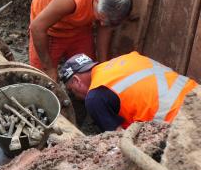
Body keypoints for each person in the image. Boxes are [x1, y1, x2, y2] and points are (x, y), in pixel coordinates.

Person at [29, 0, 132, 81]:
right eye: (101, 19)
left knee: (89, 76)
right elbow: (37, 27)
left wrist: (104, 68)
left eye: (107, 22)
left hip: (80, 27)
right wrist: (48, 68)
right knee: (41, 80)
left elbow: (105, 28)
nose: (102, 24)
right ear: (97, 0)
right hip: (51, 29)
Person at [60, 51, 198, 132]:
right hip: (195, 97)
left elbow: (117, 140)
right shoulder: (129, 57)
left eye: (72, 91)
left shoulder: (94, 96)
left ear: (77, 81)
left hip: (178, 122)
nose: (77, 97)